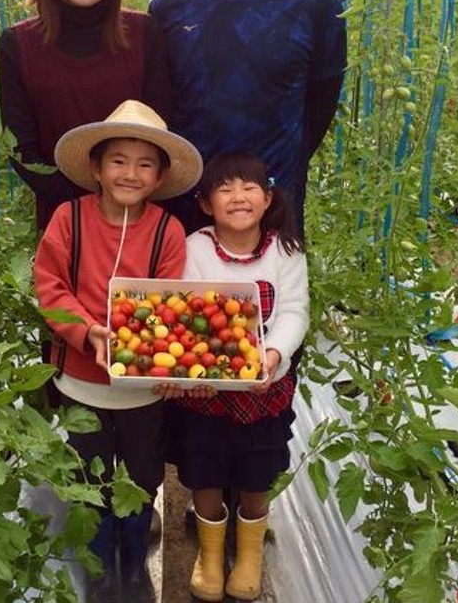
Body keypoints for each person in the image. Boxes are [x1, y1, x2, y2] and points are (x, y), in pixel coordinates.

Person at [34, 99, 202, 601]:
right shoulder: (69, 220)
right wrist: (88, 332)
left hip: (141, 392)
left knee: (141, 477)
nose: (131, 173)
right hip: (80, 383)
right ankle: (102, 568)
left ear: (159, 177)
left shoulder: (168, 232)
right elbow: (50, 289)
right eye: (119, 161)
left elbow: (170, 304)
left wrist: (152, 350)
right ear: (96, 168)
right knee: (90, 479)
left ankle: (133, 568)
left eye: (145, 163)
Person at [148, 0, 347, 236]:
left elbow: (320, 102)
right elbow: (165, 105)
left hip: (274, 203)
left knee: (271, 297)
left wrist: (279, 166)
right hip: (188, 204)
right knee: (189, 298)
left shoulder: (312, 1)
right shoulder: (169, 9)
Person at [164, 151, 309, 601]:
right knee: (205, 471)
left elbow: (293, 312)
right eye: (224, 188)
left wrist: (272, 354)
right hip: (206, 392)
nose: (238, 196)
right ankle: (209, 556)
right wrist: (195, 370)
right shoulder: (196, 248)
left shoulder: (286, 250)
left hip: (263, 389)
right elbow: (185, 314)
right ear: (206, 204)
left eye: (249, 187)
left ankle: (248, 557)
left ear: (267, 200)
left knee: (256, 473)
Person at [0, 0, 173, 232]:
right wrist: (84, 212)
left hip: (138, 221)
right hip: (63, 224)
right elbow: (21, 150)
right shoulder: (17, 45)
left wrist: (121, 203)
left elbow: (160, 131)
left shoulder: (144, 35)